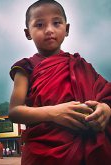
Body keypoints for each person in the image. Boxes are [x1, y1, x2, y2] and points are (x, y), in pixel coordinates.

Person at [8, 0, 111, 164]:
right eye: (40, 25)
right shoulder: (26, 68)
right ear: (28, 33)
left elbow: (106, 95)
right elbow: (14, 112)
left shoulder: (80, 65)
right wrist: (54, 113)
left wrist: (105, 109)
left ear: (67, 29)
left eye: (56, 23)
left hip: (85, 149)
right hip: (43, 152)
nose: (49, 30)